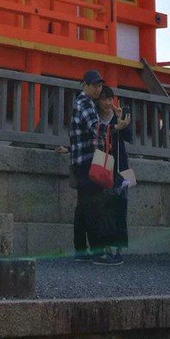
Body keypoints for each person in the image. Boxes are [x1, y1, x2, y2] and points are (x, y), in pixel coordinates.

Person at [67, 68, 106, 260]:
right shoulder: (85, 103)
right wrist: (116, 126)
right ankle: (97, 250)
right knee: (93, 206)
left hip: (81, 160)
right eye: (94, 85)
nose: (98, 89)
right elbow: (96, 129)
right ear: (85, 85)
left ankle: (81, 249)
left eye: (100, 85)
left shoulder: (82, 103)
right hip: (88, 161)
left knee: (83, 205)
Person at [94, 85, 133, 265]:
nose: (108, 103)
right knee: (105, 206)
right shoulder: (95, 118)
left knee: (121, 204)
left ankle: (119, 249)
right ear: (98, 101)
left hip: (122, 165)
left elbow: (129, 137)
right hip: (105, 165)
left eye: (110, 99)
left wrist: (120, 120)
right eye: (104, 99)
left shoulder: (121, 112)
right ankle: (106, 248)